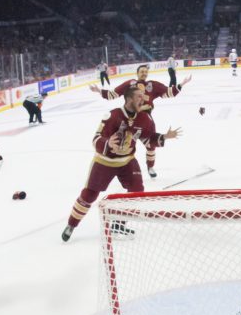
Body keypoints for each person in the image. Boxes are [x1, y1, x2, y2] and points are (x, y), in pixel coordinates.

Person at [62, 88, 182, 242]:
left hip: (127, 160)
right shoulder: (112, 115)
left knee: (136, 191)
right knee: (89, 195)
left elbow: (148, 139)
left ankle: (119, 224)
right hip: (104, 161)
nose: (143, 99)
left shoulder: (145, 118)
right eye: (139, 96)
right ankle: (71, 224)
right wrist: (107, 142)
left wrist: (164, 137)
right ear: (128, 99)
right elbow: (95, 139)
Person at [90, 64, 192, 178]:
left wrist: (182, 84)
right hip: (128, 120)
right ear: (137, 73)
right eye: (141, 71)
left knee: (151, 145)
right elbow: (113, 94)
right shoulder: (130, 84)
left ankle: (150, 166)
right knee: (123, 143)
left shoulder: (152, 85)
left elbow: (169, 93)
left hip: (146, 122)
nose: (144, 73)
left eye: (145, 71)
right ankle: (118, 167)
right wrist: (99, 91)